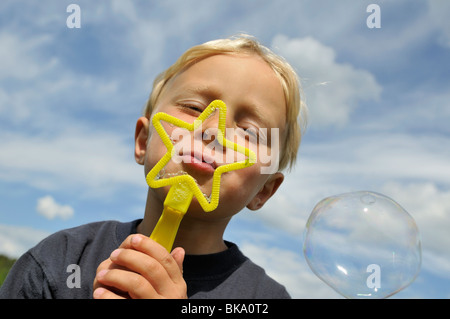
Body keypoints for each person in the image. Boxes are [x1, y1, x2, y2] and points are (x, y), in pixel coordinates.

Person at [0, 35, 307, 299]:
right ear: (144, 141)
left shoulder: (265, 297)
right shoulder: (60, 259)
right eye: (194, 107)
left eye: (249, 131)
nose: (214, 131)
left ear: (264, 191)